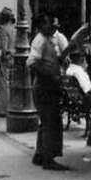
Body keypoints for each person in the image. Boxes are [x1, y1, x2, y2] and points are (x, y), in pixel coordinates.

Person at [27, 12, 69, 171]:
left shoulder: (50, 39)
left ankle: (40, 154)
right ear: (41, 26)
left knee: (46, 121)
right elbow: (31, 62)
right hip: (44, 86)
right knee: (51, 121)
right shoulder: (40, 41)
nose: (53, 26)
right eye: (49, 23)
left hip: (49, 85)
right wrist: (49, 73)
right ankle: (48, 159)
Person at [0, 7, 16, 117]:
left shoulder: (2, 31)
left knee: (3, 85)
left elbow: (3, 49)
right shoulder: (15, 30)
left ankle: (4, 109)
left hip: (4, 62)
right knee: (11, 85)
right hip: (14, 61)